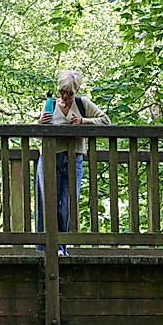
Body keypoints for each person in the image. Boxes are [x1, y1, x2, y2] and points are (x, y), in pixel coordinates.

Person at [36, 69, 110, 255]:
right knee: (47, 202)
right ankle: (45, 248)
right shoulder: (50, 105)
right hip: (50, 158)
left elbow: (106, 121)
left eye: (70, 93)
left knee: (67, 204)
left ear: (76, 91)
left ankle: (61, 248)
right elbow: (38, 136)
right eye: (63, 92)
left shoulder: (82, 104)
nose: (66, 96)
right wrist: (39, 124)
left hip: (73, 159)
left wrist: (84, 121)